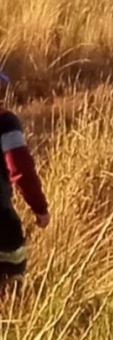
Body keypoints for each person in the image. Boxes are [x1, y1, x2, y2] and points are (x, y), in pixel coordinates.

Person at [0, 70, 49, 284]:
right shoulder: (5, 123)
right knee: (10, 284)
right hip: (1, 225)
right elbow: (20, 168)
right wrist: (39, 207)